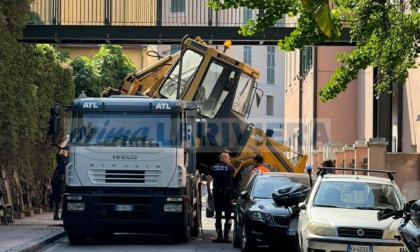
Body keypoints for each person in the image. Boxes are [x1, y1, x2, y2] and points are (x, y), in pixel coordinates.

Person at [207, 152, 236, 243]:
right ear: (225, 159)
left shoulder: (213, 168)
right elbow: (235, 173)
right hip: (227, 194)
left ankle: (219, 237)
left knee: (218, 214)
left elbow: (208, 181)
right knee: (228, 215)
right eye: (228, 159)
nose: (229, 160)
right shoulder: (230, 167)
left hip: (217, 194)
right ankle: (226, 237)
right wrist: (229, 164)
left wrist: (209, 192)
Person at [51, 135, 69, 220]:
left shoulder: (69, 159)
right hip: (59, 180)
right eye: (65, 150)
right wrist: (67, 139)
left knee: (65, 197)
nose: (65, 151)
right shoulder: (60, 157)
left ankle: (63, 215)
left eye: (66, 150)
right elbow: (61, 146)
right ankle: (56, 215)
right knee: (58, 197)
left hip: (66, 179)